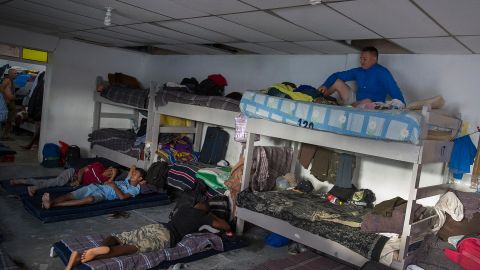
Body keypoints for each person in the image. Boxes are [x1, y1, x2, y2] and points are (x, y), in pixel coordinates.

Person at [65, 199, 232, 270]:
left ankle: (99, 247)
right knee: (134, 248)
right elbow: (224, 226)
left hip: (156, 226)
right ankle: (82, 257)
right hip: (167, 236)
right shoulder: (204, 216)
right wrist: (213, 217)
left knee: (121, 236)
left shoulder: (184, 208)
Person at [318, 46, 405, 107]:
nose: (362, 61)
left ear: (374, 59)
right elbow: (336, 75)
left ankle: (346, 108)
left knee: (368, 101)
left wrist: (402, 105)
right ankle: (318, 97)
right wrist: (325, 85)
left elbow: (395, 92)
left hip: (371, 104)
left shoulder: (382, 72)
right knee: (337, 82)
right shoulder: (358, 71)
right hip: (355, 100)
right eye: (361, 58)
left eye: (365, 59)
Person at [41, 165, 143, 209]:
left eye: (135, 175)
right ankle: (51, 202)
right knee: (69, 195)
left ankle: (53, 204)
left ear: (140, 179)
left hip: (103, 194)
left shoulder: (135, 189)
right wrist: (133, 171)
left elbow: (122, 198)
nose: (132, 175)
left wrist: (113, 186)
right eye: (132, 174)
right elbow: (133, 166)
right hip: (96, 186)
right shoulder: (127, 179)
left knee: (90, 199)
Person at [10, 162, 118, 196]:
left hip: (74, 183)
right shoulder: (98, 165)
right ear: (109, 167)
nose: (109, 173)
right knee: (59, 182)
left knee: (51, 182)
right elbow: (81, 170)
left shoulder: (102, 180)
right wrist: (78, 181)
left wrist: (114, 175)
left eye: (111, 174)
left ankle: (22, 181)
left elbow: (109, 184)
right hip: (73, 174)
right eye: (111, 170)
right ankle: (34, 188)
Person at [0, 68, 17, 140]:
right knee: (8, 119)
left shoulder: (12, 81)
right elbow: (1, 88)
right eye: (14, 73)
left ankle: (6, 135)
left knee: (10, 119)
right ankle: (5, 135)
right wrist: (6, 98)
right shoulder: (7, 80)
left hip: (10, 101)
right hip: (8, 102)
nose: (16, 75)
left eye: (16, 73)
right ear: (10, 73)